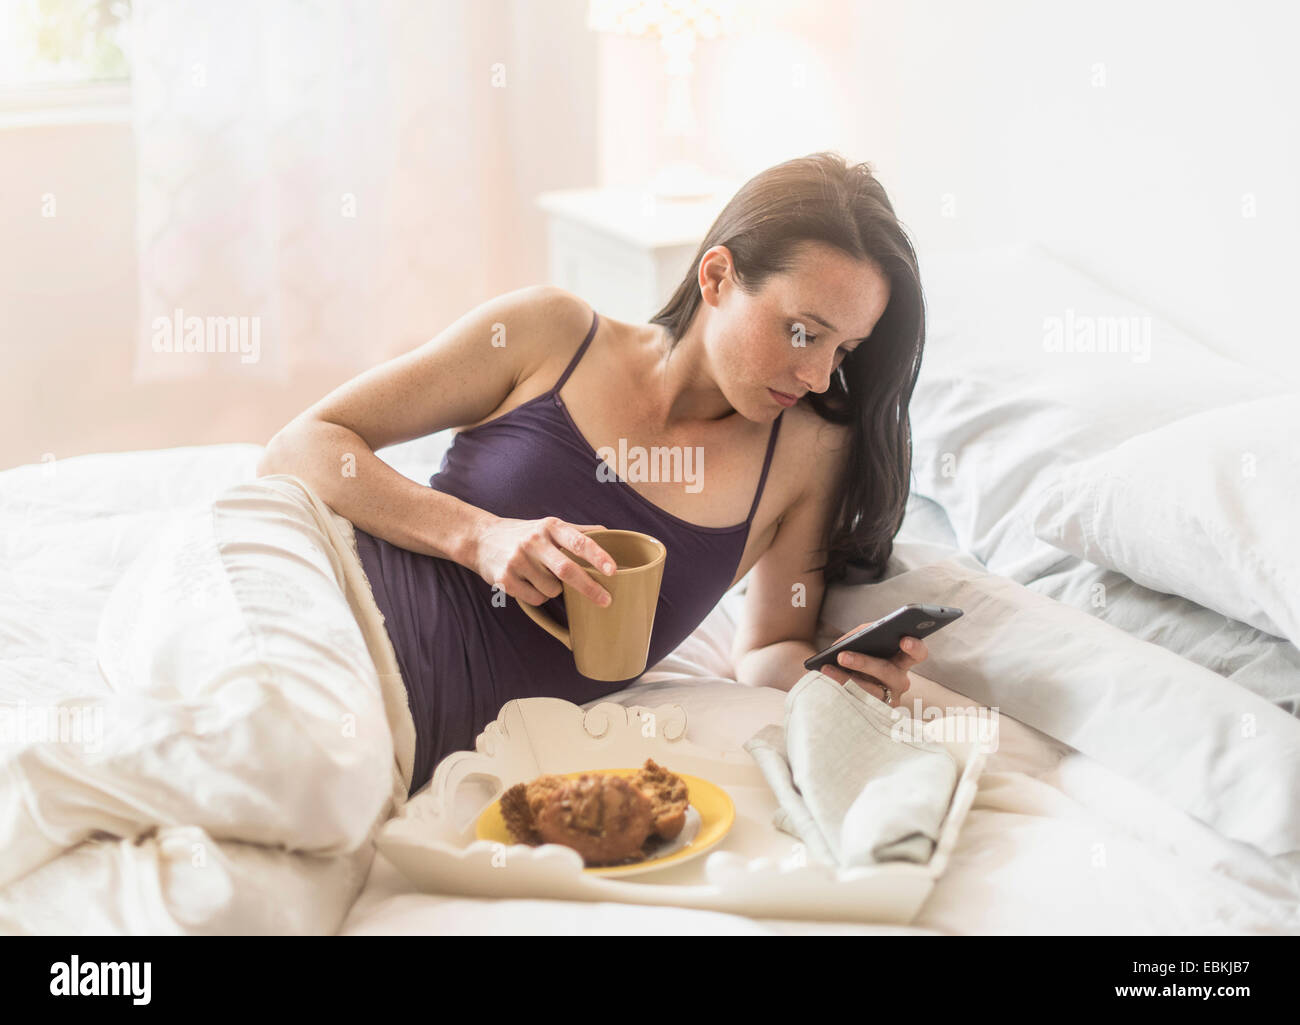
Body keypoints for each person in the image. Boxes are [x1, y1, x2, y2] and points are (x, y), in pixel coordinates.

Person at [0, 151, 930, 892]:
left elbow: (765, 649)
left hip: (394, 744)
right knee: (318, 780)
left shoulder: (804, 452)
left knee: (248, 905)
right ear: (718, 274)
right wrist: (478, 535)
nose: (817, 374)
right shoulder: (552, 332)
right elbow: (302, 443)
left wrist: (837, 676)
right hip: (308, 576)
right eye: (803, 331)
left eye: (844, 350)